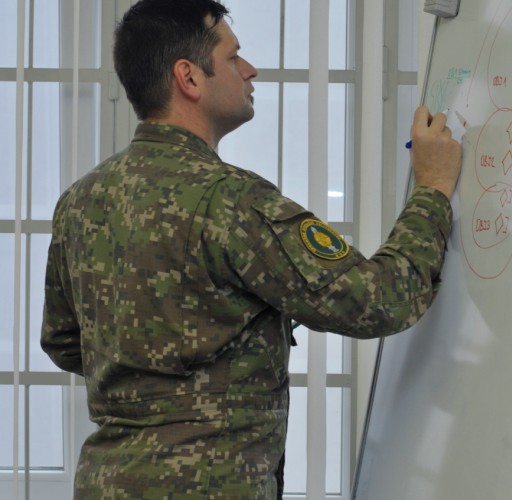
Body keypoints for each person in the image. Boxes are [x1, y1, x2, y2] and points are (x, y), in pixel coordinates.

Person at [40, 0, 461, 498]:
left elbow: (65, 341)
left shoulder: (82, 200)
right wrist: (432, 189)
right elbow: (378, 299)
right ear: (189, 78)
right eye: (233, 56)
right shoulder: (231, 201)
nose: (250, 69)